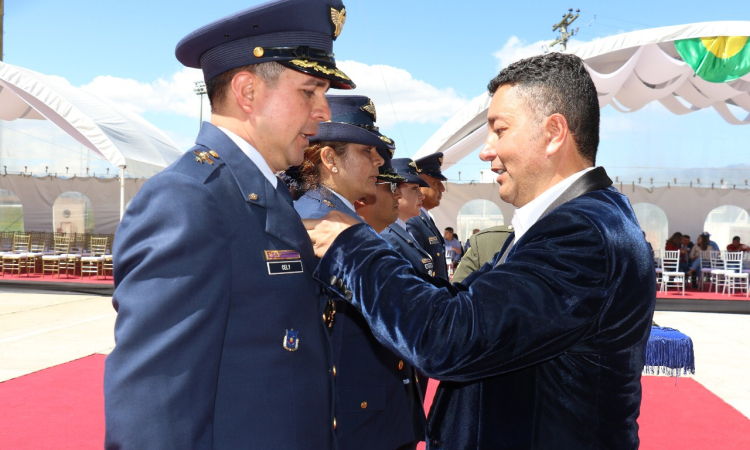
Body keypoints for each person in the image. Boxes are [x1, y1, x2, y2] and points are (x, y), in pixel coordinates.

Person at [304, 52, 656, 449]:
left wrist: (351, 247)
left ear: (555, 132)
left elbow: (451, 337)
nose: (486, 151)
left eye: (499, 130)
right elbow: (468, 301)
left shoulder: (583, 234)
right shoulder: (572, 221)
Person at [104, 1, 353, 448]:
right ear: (247, 91)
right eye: (310, 91)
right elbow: (155, 412)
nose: (325, 112)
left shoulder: (265, 193)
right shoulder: (188, 200)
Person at [293, 95, 426, 450]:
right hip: (353, 424)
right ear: (329, 158)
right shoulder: (318, 223)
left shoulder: (341, 219)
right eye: (366, 151)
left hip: (372, 416)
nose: (379, 161)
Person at [381, 159, 434, 277]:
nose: (422, 196)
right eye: (414, 189)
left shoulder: (404, 232)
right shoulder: (388, 236)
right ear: (394, 191)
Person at [407, 153, 449, 280]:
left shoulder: (425, 218)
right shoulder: (411, 221)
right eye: (436, 183)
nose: (442, 189)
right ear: (419, 185)